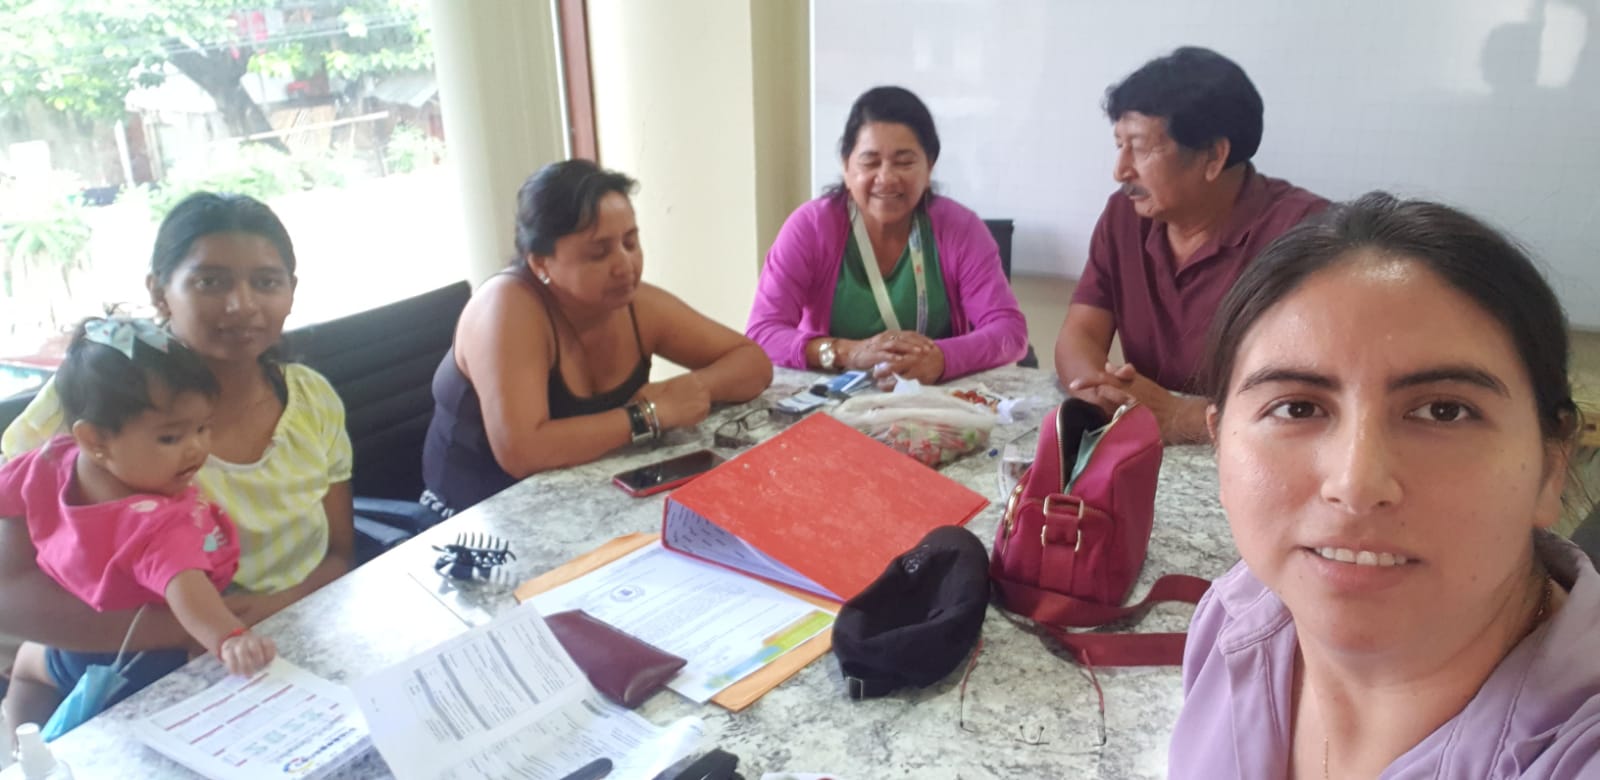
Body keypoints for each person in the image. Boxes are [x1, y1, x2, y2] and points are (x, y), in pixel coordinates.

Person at [1169, 193, 1600, 777]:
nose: (1355, 483)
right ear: (1220, 445)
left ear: (1552, 464)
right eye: (1297, 408)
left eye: (1444, 411)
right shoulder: (1235, 615)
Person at [0, 192, 352, 679]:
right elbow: (8, 596)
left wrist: (279, 606)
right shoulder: (93, 404)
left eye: (266, 282)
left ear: (291, 291)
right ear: (160, 292)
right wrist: (202, 629)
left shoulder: (312, 399)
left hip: (293, 632)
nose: (242, 305)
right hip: (150, 655)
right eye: (210, 281)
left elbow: (339, 553)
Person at [420, 160, 772, 516]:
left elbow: (753, 362)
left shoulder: (637, 306)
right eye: (599, 253)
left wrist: (691, 390)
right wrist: (649, 415)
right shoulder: (508, 307)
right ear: (541, 263)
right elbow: (521, 450)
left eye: (630, 242)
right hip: (468, 520)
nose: (625, 265)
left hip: (581, 503)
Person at [1, 318, 276, 736]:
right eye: (171, 437)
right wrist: (229, 637)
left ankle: (27, 754)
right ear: (95, 440)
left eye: (203, 427)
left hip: (79, 638)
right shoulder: (159, 522)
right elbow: (186, 587)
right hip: (145, 651)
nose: (197, 448)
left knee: (26, 669)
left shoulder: (46, 462)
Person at [1055, 47, 1326, 443]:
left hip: (1258, 454)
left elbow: (1320, 397)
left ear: (1213, 156)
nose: (1120, 170)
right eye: (1119, 145)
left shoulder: (1307, 234)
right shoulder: (1124, 216)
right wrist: (1097, 389)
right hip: (1148, 448)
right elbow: (1080, 333)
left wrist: (1183, 417)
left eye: (1140, 148)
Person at [746, 86, 1028, 388]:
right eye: (870, 162)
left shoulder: (960, 228)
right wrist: (846, 352)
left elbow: (1010, 333)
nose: (887, 178)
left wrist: (941, 359)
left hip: (932, 400)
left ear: (929, 166)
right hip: (834, 399)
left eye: (904, 162)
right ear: (846, 166)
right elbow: (762, 333)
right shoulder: (811, 227)